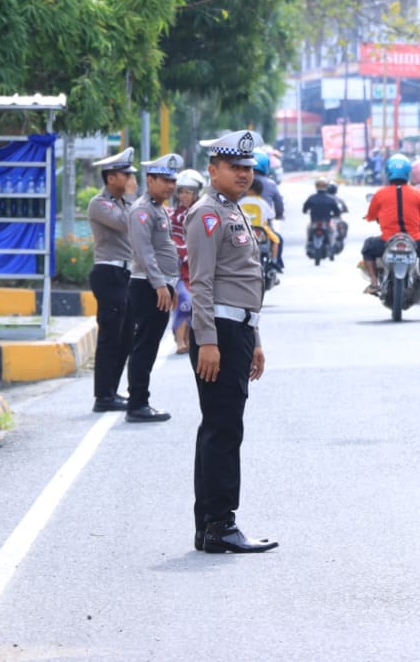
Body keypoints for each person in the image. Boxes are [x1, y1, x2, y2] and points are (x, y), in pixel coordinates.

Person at [185, 129, 277, 554]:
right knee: (223, 430)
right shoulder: (208, 213)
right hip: (218, 331)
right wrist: (207, 341)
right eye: (234, 167)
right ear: (213, 169)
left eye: (247, 168)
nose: (243, 174)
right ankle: (221, 523)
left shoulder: (232, 210)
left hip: (236, 328)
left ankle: (211, 526)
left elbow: (244, 281)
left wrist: (253, 336)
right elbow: (201, 283)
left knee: (219, 428)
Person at [124, 153, 184, 423]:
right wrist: (160, 285)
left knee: (148, 345)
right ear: (150, 180)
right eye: (164, 180)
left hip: (159, 285)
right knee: (144, 346)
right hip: (147, 286)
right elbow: (143, 252)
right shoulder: (142, 210)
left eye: (173, 180)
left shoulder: (158, 207)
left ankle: (140, 401)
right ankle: (137, 404)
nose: (170, 186)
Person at [88, 147, 139, 412]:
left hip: (124, 273)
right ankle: (103, 397)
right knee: (110, 336)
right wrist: (132, 198)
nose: (131, 179)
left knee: (125, 337)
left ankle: (112, 391)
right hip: (108, 273)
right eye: (125, 174)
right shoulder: (100, 203)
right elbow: (125, 224)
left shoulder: (124, 203)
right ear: (110, 178)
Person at [360, 154, 420, 295]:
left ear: (388, 172)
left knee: (368, 248)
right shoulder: (418, 194)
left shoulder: (380, 194)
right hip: (415, 239)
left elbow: (371, 216)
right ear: (408, 173)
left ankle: (374, 283)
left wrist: (376, 217)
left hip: (387, 240)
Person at [170, 168, 205, 355]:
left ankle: (191, 340)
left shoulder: (201, 213)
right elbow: (173, 240)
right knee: (184, 302)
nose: (184, 196)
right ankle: (179, 341)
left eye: (188, 192)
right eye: (181, 191)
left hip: (199, 267)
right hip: (180, 269)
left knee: (198, 305)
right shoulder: (173, 216)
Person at [252, 150, 286, 270]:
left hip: (243, 226)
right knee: (278, 240)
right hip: (264, 226)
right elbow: (278, 203)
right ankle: (276, 263)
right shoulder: (271, 184)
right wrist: (279, 215)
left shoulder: (241, 181)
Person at [303, 178, 342, 257]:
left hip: (314, 222)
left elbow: (305, 209)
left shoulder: (312, 198)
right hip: (327, 222)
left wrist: (306, 211)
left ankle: (308, 244)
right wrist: (334, 215)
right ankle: (331, 247)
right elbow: (337, 211)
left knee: (308, 230)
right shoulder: (331, 199)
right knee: (333, 232)